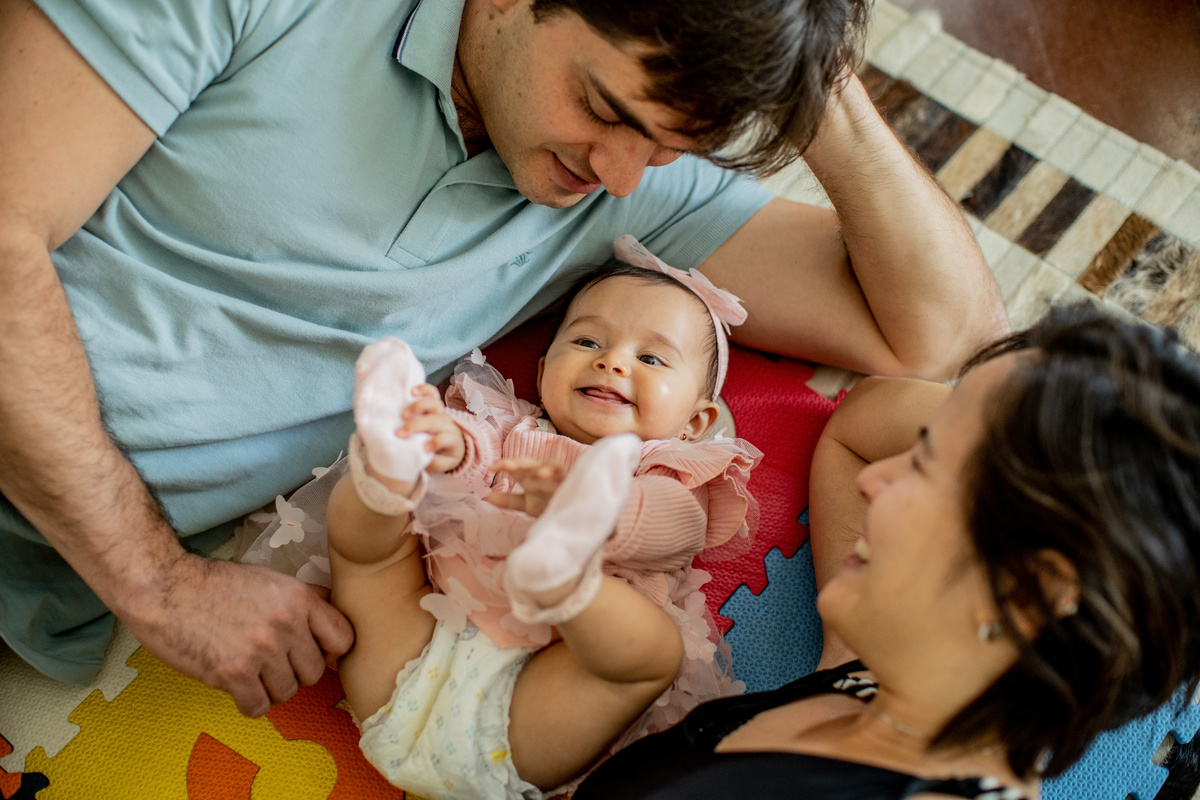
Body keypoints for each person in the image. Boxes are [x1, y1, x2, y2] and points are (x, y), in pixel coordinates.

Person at [0, 0, 1007, 717]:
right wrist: (157, 582)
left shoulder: (620, 182)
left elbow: (944, 333)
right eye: (604, 109)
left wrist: (803, 57)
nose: (621, 173)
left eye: (662, 147)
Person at [574, 303, 1200, 799]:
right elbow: (865, 420)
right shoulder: (878, 678)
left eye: (926, 465)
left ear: (1029, 589)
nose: (877, 479)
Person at [241, 241, 761, 797]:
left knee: (650, 654)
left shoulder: (670, 473)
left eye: (651, 359)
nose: (612, 361)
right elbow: (477, 450)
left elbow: (676, 526)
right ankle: (389, 465)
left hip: (531, 709)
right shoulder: (512, 426)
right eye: (587, 341)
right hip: (410, 651)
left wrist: (607, 511)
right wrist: (445, 444)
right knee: (369, 551)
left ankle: (567, 580)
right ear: (542, 370)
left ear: (695, 422)